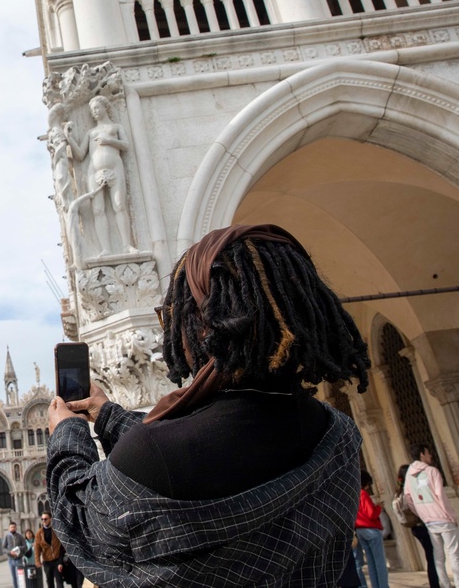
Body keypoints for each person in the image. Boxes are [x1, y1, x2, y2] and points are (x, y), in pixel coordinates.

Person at [47, 223, 371, 586]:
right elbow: (201, 451)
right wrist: (107, 414)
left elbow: (83, 521)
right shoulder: (339, 436)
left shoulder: (154, 454)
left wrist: (67, 431)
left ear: (202, 326)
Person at [66, 95, 137, 257]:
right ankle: (106, 248)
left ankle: (127, 245)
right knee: (98, 209)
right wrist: (69, 138)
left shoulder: (115, 127)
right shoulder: (91, 133)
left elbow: (125, 145)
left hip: (115, 168)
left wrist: (108, 140)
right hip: (94, 171)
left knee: (119, 205)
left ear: (105, 108)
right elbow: (80, 154)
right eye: (92, 110)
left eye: (97, 108)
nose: (95, 112)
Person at [405, 443, 459, 588]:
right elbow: (440, 495)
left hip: (429, 521)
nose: (430, 455)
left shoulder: (409, 472)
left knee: (438, 556)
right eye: (428, 453)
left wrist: (421, 513)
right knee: (454, 554)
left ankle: (446, 585)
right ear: (422, 454)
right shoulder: (432, 471)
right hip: (443, 518)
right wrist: (451, 515)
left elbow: (408, 497)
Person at [392, 464, 439, 588]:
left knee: (431, 555)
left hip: (415, 528)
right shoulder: (410, 490)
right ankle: (435, 583)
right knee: (433, 556)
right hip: (422, 526)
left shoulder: (399, 492)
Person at [355, 470, 389, 588]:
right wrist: (378, 507)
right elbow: (371, 514)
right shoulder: (363, 494)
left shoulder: (353, 494)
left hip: (360, 530)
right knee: (379, 562)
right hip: (370, 529)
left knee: (371, 562)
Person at [33, 514, 62, 588]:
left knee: (59, 582)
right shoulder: (39, 533)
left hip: (57, 560)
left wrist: (60, 562)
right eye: (42, 519)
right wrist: (37, 561)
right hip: (47, 561)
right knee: (49, 582)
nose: (44, 521)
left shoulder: (56, 531)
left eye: (45, 519)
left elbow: (61, 547)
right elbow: (37, 548)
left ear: (50, 519)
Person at [1, 523, 25, 588]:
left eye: (14, 527)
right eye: (11, 527)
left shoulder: (20, 536)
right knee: (13, 577)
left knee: (19, 576)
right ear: (9, 528)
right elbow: (3, 548)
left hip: (18, 559)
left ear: (16, 528)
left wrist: (19, 548)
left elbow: (25, 546)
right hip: (10, 560)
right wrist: (9, 552)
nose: (13, 528)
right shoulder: (7, 536)